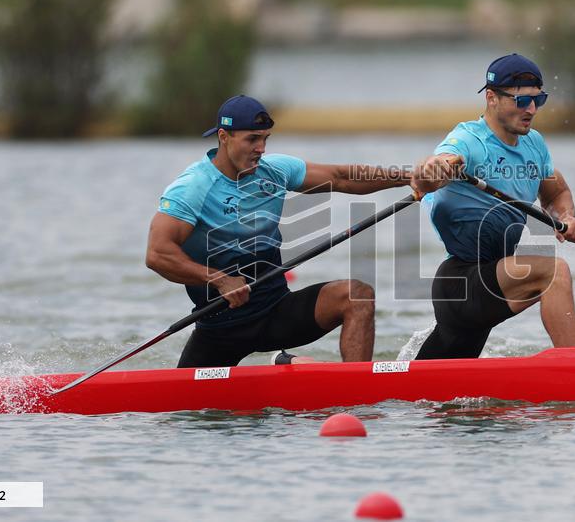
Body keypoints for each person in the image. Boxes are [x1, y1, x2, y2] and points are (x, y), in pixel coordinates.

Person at [146, 95, 412, 367]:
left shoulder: (275, 171)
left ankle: (357, 392)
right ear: (224, 136)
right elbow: (158, 254)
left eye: (265, 139)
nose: (261, 148)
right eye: (252, 139)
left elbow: (341, 177)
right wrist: (219, 279)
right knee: (195, 406)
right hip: (221, 326)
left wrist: (408, 178)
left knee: (357, 296)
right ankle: (284, 363)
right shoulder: (193, 187)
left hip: (275, 311)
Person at [411, 53, 575, 360]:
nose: (532, 109)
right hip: (461, 281)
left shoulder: (534, 145)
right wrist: (437, 169)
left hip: (492, 276)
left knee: (445, 388)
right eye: (522, 101)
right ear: (492, 98)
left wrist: (566, 217)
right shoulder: (468, 140)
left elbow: (556, 191)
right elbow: (426, 176)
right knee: (553, 272)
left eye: (539, 99)